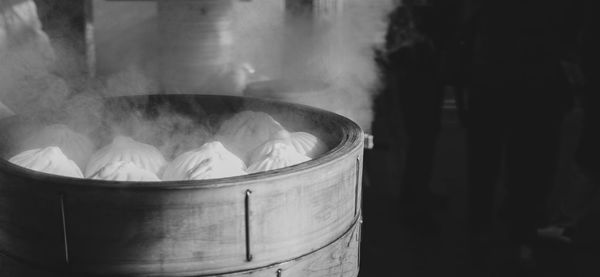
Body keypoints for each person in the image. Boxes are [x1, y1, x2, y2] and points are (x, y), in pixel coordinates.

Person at [460, 0, 582, 264]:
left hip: (491, 78)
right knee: (528, 164)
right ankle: (521, 231)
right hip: (535, 83)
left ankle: (480, 228)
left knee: (484, 161)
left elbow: (471, 22)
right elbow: (569, 26)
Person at [381, 0, 460, 232]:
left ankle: (416, 193)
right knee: (421, 139)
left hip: (421, 67)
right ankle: (414, 202)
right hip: (417, 70)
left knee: (425, 137)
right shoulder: (413, 11)